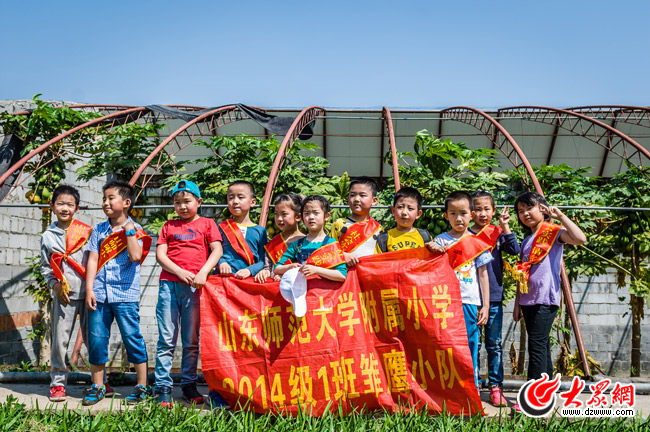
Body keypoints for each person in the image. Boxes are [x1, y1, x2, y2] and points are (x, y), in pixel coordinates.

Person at [511, 192, 586, 412]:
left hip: (546, 299)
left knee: (535, 347)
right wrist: (517, 304)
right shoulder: (526, 241)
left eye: (529, 209)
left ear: (542, 208)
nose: (525, 214)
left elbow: (580, 239)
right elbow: (521, 275)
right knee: (541, 347)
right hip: (528, 300)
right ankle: (545, 393)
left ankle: (531, 399)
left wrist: (561, 216)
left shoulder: (553, 233)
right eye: (520, 211)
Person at [154, 180, 223, 407]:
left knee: (191, 341)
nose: (182, 206)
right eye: (177, 202)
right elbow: (161, 256)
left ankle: (189, 384)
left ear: (199, 201)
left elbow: (217, 250)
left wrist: (204, 272)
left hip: (196, 288)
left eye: (187, 201)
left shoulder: (207, 223)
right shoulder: (168, 226)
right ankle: (163, 387)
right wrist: (179, 271)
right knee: (166, 339)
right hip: (169, 286)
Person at [84, 180, 152, 406]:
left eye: (110, 198)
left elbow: (135, 257)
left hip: (125, 295)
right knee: (96, 339)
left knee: (132, 338)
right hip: (100, 294)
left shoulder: (136, 229)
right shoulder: (99, 230)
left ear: (126, 203)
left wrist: (130, 232)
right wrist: (89, 289)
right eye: (104, 198)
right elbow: (93, 259)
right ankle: (98, 386)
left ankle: (142, 386)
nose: (105, 202)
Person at [211, 180, 268, 407]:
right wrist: (222, 263)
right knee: (223, 340)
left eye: (241, 197)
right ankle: (219, 390)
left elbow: (264, 261)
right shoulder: (219, 227)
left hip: (248, 290)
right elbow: (214, 252)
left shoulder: (259, 231)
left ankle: (251, 387)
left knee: (248, 340)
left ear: (253, 202)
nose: (235, 201)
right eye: (231, 197)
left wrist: (250, 270)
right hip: (223, 290)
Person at [431, 191, 493, 393]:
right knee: (446, 345)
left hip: (469, 302)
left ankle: (471, 389)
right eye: (453, 213)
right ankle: (448, 390)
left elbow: (483, 275)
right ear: (446, 216)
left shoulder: (478, 242)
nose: (459, 218)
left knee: (470, 345)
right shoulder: (439, 241)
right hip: (445, 302)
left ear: (472, 215)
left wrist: (485, 304)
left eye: (463, 213)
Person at [40, 185, 92, 401]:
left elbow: (94, 262)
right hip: (64, 295)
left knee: (94, 340)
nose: (65, 208)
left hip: (89, 293)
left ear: (76, 208)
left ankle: (101, 381)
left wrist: (93, 288)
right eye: (60, 203)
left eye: (70, 204)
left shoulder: (86, 231)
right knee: (60, 340)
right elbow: (45, 267)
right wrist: (55, 286)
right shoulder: (48, 236)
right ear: (52, 206)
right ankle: (58, 384)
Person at [469, 190, 520, 407]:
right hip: (470, 297)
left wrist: (505, 225)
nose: (482, 213)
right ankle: (473, 385)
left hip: (495, 297)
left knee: (494, 344)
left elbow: (515, 250)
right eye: (478, 209)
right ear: (471, 212)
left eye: (486, 209)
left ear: (494, 210)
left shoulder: (497, 232)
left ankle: (495, 387)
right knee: (472, 343)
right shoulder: (464, 234)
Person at [275, 195, 346, 282]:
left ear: (327, 216)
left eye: (316, 213)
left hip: (324, 294)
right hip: (302, 292)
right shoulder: (297, 245)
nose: (311, 217)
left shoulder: (331, 244)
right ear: (302, 217)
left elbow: (342, 275)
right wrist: (289, 267)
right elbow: (277, 268)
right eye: (307, 213)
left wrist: (316, 270)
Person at [330, 176, 382, 266]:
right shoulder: (339, 224)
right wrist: (342, 255)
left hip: (368, 274)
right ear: (348, 198)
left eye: (362, 195)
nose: (357, 199)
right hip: (344, 275)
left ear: (374, 200)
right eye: (352, 195)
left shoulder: (378, 228)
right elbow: (329, 251)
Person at [259, 193, 306, 282]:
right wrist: (265, 272)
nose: (279, 218)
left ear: (298, 217)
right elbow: (268, 267)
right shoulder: (273, 243)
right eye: (276, 214)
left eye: (284, 214)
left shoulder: (307, 242)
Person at [375, 187, 431, 253]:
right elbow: (377, 261)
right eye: (400, 207)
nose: (404, 212)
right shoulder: (384, 238)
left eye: (410, 208)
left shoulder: (425, 237)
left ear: (418, 214)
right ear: (393, 211)